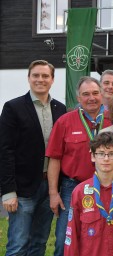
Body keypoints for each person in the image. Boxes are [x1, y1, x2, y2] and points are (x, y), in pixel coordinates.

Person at [0, 60, 66, 255]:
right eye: (36, 75)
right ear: (29, 78)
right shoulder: (13, 107)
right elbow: (5, 150)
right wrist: (8, 191)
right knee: (18, 245)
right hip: (22, 189)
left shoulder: (60, 109)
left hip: (50, 187)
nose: (40, 79)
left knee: (39, 243)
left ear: (52, 80)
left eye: (45, 76)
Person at [46, 76, 112, 256]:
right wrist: (53, 193)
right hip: (72, 188)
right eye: (86, 94)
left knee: (103, 238)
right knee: (63, 239)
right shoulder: (65, 121)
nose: (91, 98)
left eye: (95, 93)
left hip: (107, 187)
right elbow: (54, 158)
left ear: (102, 94)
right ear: (78, 98)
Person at [64, 132, 113, 256]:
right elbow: (72, 234)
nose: (106, 159)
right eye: (100, 154)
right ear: (93, 156)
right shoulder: (80, 192)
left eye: (111, 154)